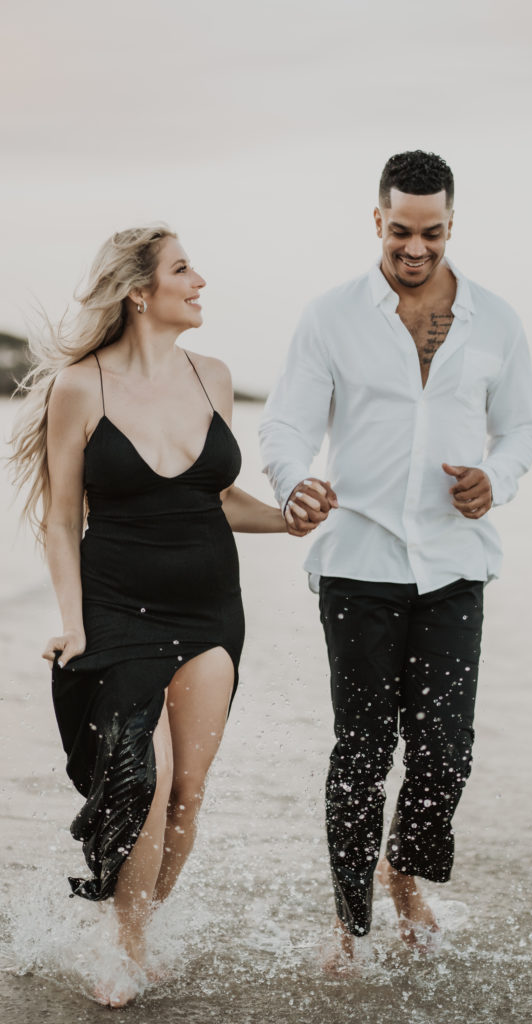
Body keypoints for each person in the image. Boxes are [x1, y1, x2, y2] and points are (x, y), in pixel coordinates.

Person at [8, 225, 324, 1006]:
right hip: (116, 608)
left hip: (212, 607)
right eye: (184, 269)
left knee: (187, 787)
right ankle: (122, 944)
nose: (201, 281)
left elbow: (215, 496)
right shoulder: (81, 386)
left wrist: (287, 517)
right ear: (140, 291)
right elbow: (59, 517)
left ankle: (141, 930)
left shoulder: (212, 377)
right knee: (134, 782)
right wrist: (74, 623)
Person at [259, 150, 532, 972]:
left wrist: (500, 479)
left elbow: (521, 427)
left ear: (451, 224)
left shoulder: (496, 319)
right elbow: (284, 425)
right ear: (373, 220)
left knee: (445, 748)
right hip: (358, 562)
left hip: (455, 564)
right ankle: (350, 926)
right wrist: (293, 484)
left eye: (431, 233)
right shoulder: (330, 316)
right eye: (398, 232)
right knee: (361, 749)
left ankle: (404, 874)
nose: (414, 249)